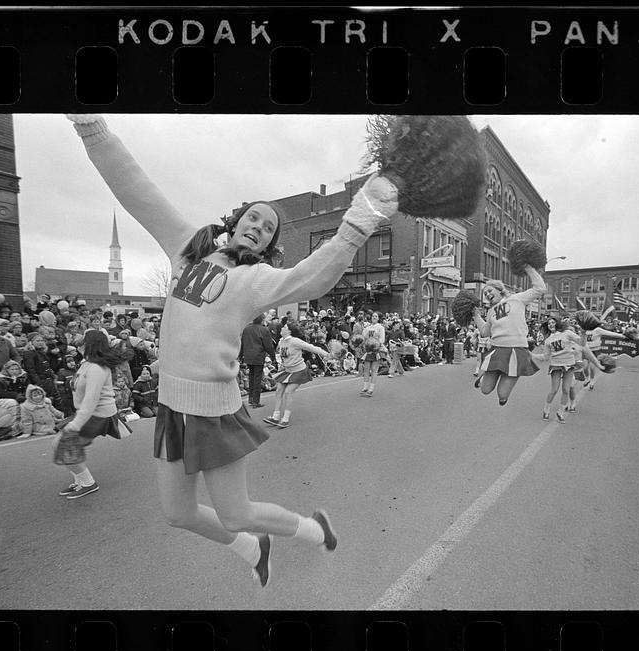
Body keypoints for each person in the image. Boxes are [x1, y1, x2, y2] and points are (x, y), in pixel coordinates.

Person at [68, 113, 400, 586]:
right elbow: (136, 188)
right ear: (236, 220)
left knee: (237, 511)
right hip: (171, 408)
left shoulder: (256, 280)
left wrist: (358, 223)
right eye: (253, 218)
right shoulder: (187, 249)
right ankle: (251, 548)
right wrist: (91, 128)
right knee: (177, 513)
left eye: (268, 229)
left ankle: (311, 528)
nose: (258, 227)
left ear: (267, 245)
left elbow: (314, 275)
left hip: (212, 411)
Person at [53, 329, 125, 500]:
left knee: (62, 446)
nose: (78, 340)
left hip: (97, 414)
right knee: (63, 445)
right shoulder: (87, 363)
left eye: (82, 339)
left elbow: (91, 400)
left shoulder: (96, 368)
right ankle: (81, 481)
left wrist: (76, 424)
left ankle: (87, 483)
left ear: (89, 344)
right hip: (89, 412)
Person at [471, 266, 547, 406]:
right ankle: (484, 378)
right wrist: (475, 316)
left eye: (489, 290)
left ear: (499, 290)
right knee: (485, 390)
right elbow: (485, 332)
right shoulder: (490, 311)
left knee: (502, 395)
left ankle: (510, 379)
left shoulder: (516, 299)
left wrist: (527, 267)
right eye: (485, 293)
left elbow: (540, 289)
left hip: (516, 350)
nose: (487, 294)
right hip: (498, 349)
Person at [263, 322, 330, 428]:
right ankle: (275, 417)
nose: (282, 328)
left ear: (289, 331)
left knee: (288, 392)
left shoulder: (295, 341)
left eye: (284, 327)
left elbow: (311, 348)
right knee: (279, 391)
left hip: (298, 370)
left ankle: (285, 419)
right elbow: (283, 357)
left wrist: (327, 354)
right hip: (287, 370)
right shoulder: (281, 342)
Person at [240, 314, 277, 408]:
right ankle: (256, 401)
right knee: (257, 378)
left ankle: (251, 398)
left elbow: (242, 343)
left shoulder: (246, 329)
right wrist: (273, 356)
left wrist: (241, 355)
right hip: (258, 356)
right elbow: (268, 345)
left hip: (248, 356)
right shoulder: (263, 330)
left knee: (251, 376)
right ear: (262, 320)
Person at [581, 321, 628, 390]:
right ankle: (587, 378)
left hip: (595, 351)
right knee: (585, 367)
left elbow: (610, 333)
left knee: (592, 367)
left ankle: (592, 381)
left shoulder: (597, 330)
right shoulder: (584, 330)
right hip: (586, 350)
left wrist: (622, 336)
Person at [360, 312, 386, 396]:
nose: (374, 317)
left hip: (376, 350)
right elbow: (364, 337)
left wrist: (376, 344)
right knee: (366, 368)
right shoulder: (367, 327)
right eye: (373, 316)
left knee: (374, 369)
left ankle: (371, 388)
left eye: (376, 316)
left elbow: (382, 339)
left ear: (378, 318)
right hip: (368, 350)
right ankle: (365, 387)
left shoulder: (380, 327)